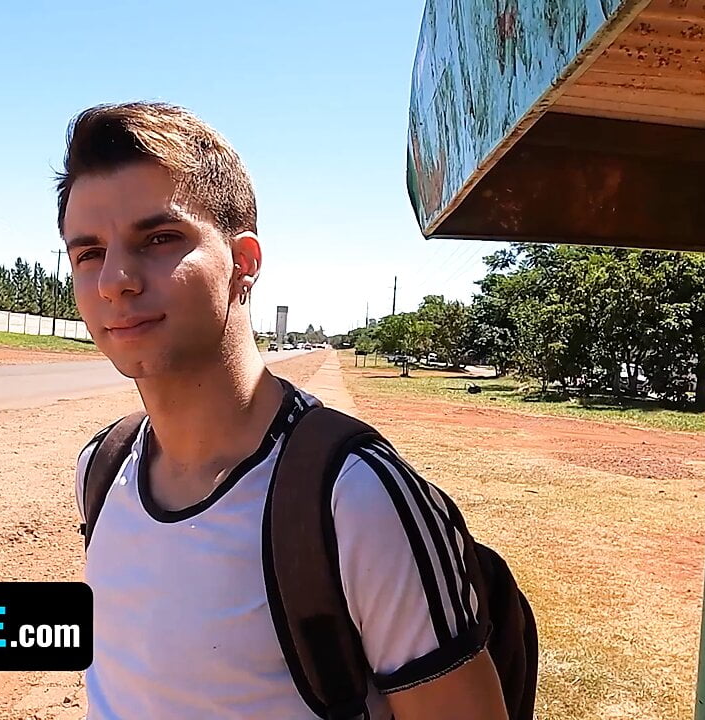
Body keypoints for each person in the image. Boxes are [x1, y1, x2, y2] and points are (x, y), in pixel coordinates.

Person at [59, 102, 510, 719]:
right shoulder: (102, 469)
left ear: (243, 264)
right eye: (88, 253)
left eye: (159, 239)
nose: (115, 279)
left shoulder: (355, 499)